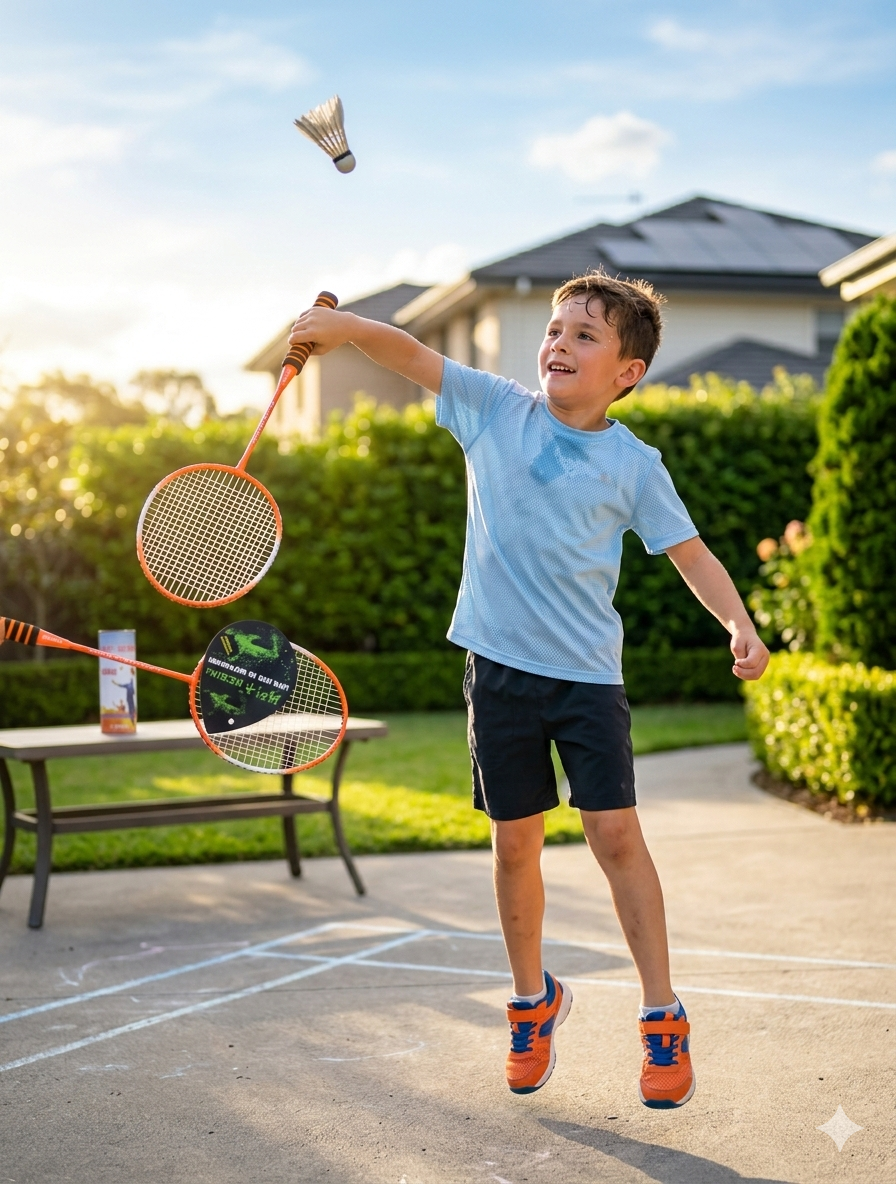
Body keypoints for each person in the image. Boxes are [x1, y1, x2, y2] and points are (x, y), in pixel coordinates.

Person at [288, 271, 769, 1109]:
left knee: (614, 835)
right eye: (555, 329)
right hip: (499, 671)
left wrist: (737, 622)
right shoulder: (494, 409)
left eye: (586, 335)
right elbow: (406, 351)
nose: (560, 343)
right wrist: (348, 328)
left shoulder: (634, 464)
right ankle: (531, 1002)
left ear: (628, 372)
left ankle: (662, 1015)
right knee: (515, 843)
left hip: (586, 677)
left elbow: (690, 553)